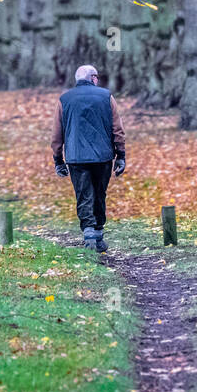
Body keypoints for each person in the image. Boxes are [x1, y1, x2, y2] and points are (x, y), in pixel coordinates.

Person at [51, 64, 126, 252]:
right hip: (103, 157)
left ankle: (89, 233)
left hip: (76, 157)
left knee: (84, 194)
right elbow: (117, 129)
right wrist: (121, 155)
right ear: (93, 78)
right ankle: (98, 233)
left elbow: (57, 134)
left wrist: (58, 159)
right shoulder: (106, 96)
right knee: (100, 194)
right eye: (97, 77)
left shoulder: (64, 99)